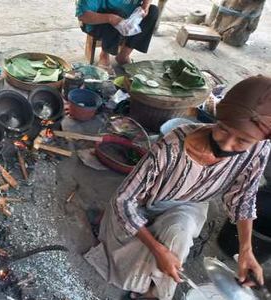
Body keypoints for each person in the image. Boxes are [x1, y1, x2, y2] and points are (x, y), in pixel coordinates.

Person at [84, 75, 271, 300]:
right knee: (131, 236)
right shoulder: (171, 147)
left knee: (178, 236)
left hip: (192, 202)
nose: (226, 143)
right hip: (146, 203)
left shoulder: (259, 148)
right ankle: (111, 228)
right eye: (222, 128)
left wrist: (246, 251)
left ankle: (154, 293)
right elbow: (124, 201)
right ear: (217, 117)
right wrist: (157, 249)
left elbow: (244, 197)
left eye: (242, 141)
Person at [76, 0, 159, 73]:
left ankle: (123, 55)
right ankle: (104, 56)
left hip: (128, 18)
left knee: (153, 11)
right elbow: (83, 16)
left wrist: (146, 5)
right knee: (116, 12)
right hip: (97, 22)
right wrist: (110, 18)